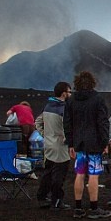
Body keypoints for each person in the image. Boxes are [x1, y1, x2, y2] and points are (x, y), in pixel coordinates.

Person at [63, 71, 111, 219]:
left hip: (79, 143)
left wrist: (70, 143)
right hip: (95, 144)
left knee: (79, 174)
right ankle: (94, 208)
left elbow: (67, 123)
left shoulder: (71, 101)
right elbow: (102, 123)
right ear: (92, 83)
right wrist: (105, 142)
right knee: (93, 175)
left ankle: (78, 208)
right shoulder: (98, 100)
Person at [35, 81, 72, 210]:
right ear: (63, 93)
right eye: (69, 92)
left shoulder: (48, 106)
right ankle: (56, 201)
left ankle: (42, 196)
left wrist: (45, 135)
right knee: (59, 175)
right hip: (61, 146)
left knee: (48, 172)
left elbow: (38, 121)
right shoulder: (63, 109)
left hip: (48, 144)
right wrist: (69, 140)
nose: (70, 94)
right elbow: (67, 127)